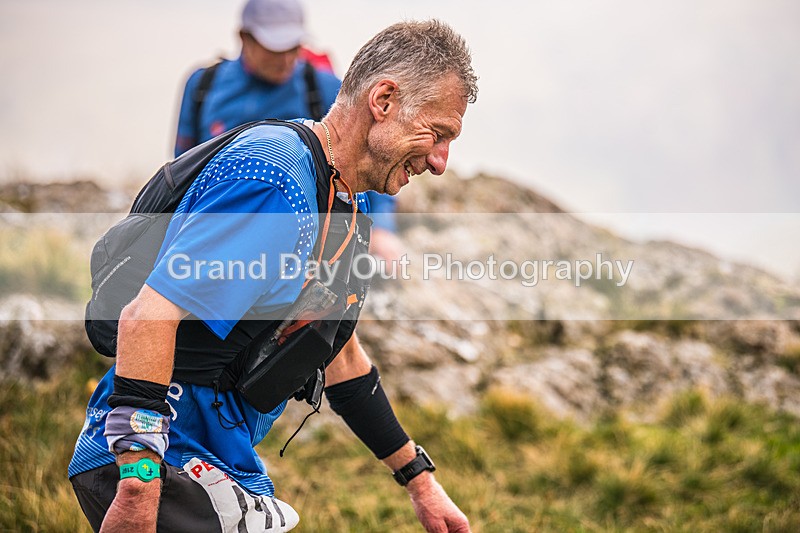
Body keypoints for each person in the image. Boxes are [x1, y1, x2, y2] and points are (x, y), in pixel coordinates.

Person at [69, 19, 478, 533]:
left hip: (217, 464)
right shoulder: (275, 186)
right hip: (165, 463)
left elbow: (339, 356)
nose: (440, 162)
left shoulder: (341, 201)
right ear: (384, 100)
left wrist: (419, 480)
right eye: (438, 134)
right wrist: (138, 488)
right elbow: (148, 317)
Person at [174, 0, 402, 264]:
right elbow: (183, 170)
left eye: (293, 47)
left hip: (301, 240)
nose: (285, 60)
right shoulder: (203, 86)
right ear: (244, 38)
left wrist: (382, 228)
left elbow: (367, 160)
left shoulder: (323, 88)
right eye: (275, 49)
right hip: (219, 232)